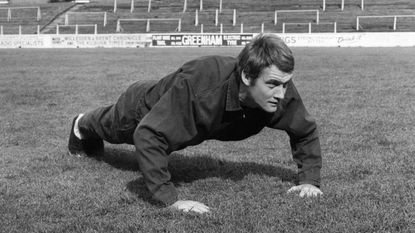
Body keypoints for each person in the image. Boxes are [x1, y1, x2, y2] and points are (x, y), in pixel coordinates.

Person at [68, 33, 323, 214]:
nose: (282, 93)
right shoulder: (199, 87)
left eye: (286, 83)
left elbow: (305, 130)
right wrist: (171, 200)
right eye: (273, 85)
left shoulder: (278, 90)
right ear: (247, 76)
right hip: (144, 107)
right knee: (111, 127)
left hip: (180, 105)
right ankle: (80, 125)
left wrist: (309, 181)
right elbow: (147, 134)